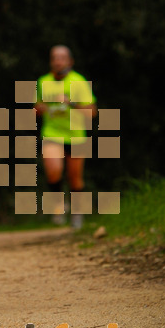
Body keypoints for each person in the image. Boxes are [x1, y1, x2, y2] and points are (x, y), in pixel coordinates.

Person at [35, 45, 96, 229]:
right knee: (53, 170)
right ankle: (59, 205)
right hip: (52, 133)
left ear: (70, 61)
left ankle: (77, 214)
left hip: (76, 136)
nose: (58, 61)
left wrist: (71, 103)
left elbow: (92, 112)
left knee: (75, 177)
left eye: (62, 57)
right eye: (55, 57)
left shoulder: (79, 81)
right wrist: (43, 108)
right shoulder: (43, 81)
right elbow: (37, 107)